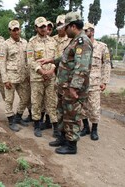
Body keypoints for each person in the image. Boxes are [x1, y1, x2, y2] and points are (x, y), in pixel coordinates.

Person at [38, 12, 93, 154]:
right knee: (62, 113)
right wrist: (51, 60)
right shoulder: (74, 41)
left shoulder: (83, 42)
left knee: (72, 116)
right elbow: (66, 58)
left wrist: (74, 87)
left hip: (72, 89)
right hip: (64, 88)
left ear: (73, 26)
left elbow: (82, 67)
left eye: (65, 27)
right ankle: (62, 138)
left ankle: (71, 145)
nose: (63, 30)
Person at [27, 17, 58, 137]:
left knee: (52, 102)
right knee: (36, 102)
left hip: (50, 77)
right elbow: (30, 60)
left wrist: (51, 70)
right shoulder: (32, 42)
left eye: (45, 26)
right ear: (36, 28)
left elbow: (57, 57)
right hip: (37, 78)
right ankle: (37, 125)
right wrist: (41, 72)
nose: (44, 29)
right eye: (41, 27)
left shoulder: (52, 41)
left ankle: (55, 127)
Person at [80, 22, 111, 140]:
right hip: (83, 82)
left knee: (94, 107)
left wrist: (105, 81)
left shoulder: (102, 46)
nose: (84, 33)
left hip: (95, 82)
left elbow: (106, 64)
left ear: (92, 32)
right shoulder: (81, 46)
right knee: (83, 106)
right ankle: (85, 127)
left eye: (86, 31)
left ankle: (94, 129)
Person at [0, 20, 30, 132]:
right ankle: (11, 121)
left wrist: (28, 74)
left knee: (26, 98)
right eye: (14, 30)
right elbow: (2, 63)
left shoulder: (25, 43)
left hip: (22, 77)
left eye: (18, 29)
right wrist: (5, 79)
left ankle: (18, 116)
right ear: (10, 31)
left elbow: (28, 60)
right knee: (9, 100)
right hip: (10, 77)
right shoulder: (5, 44)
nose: (16, 32)